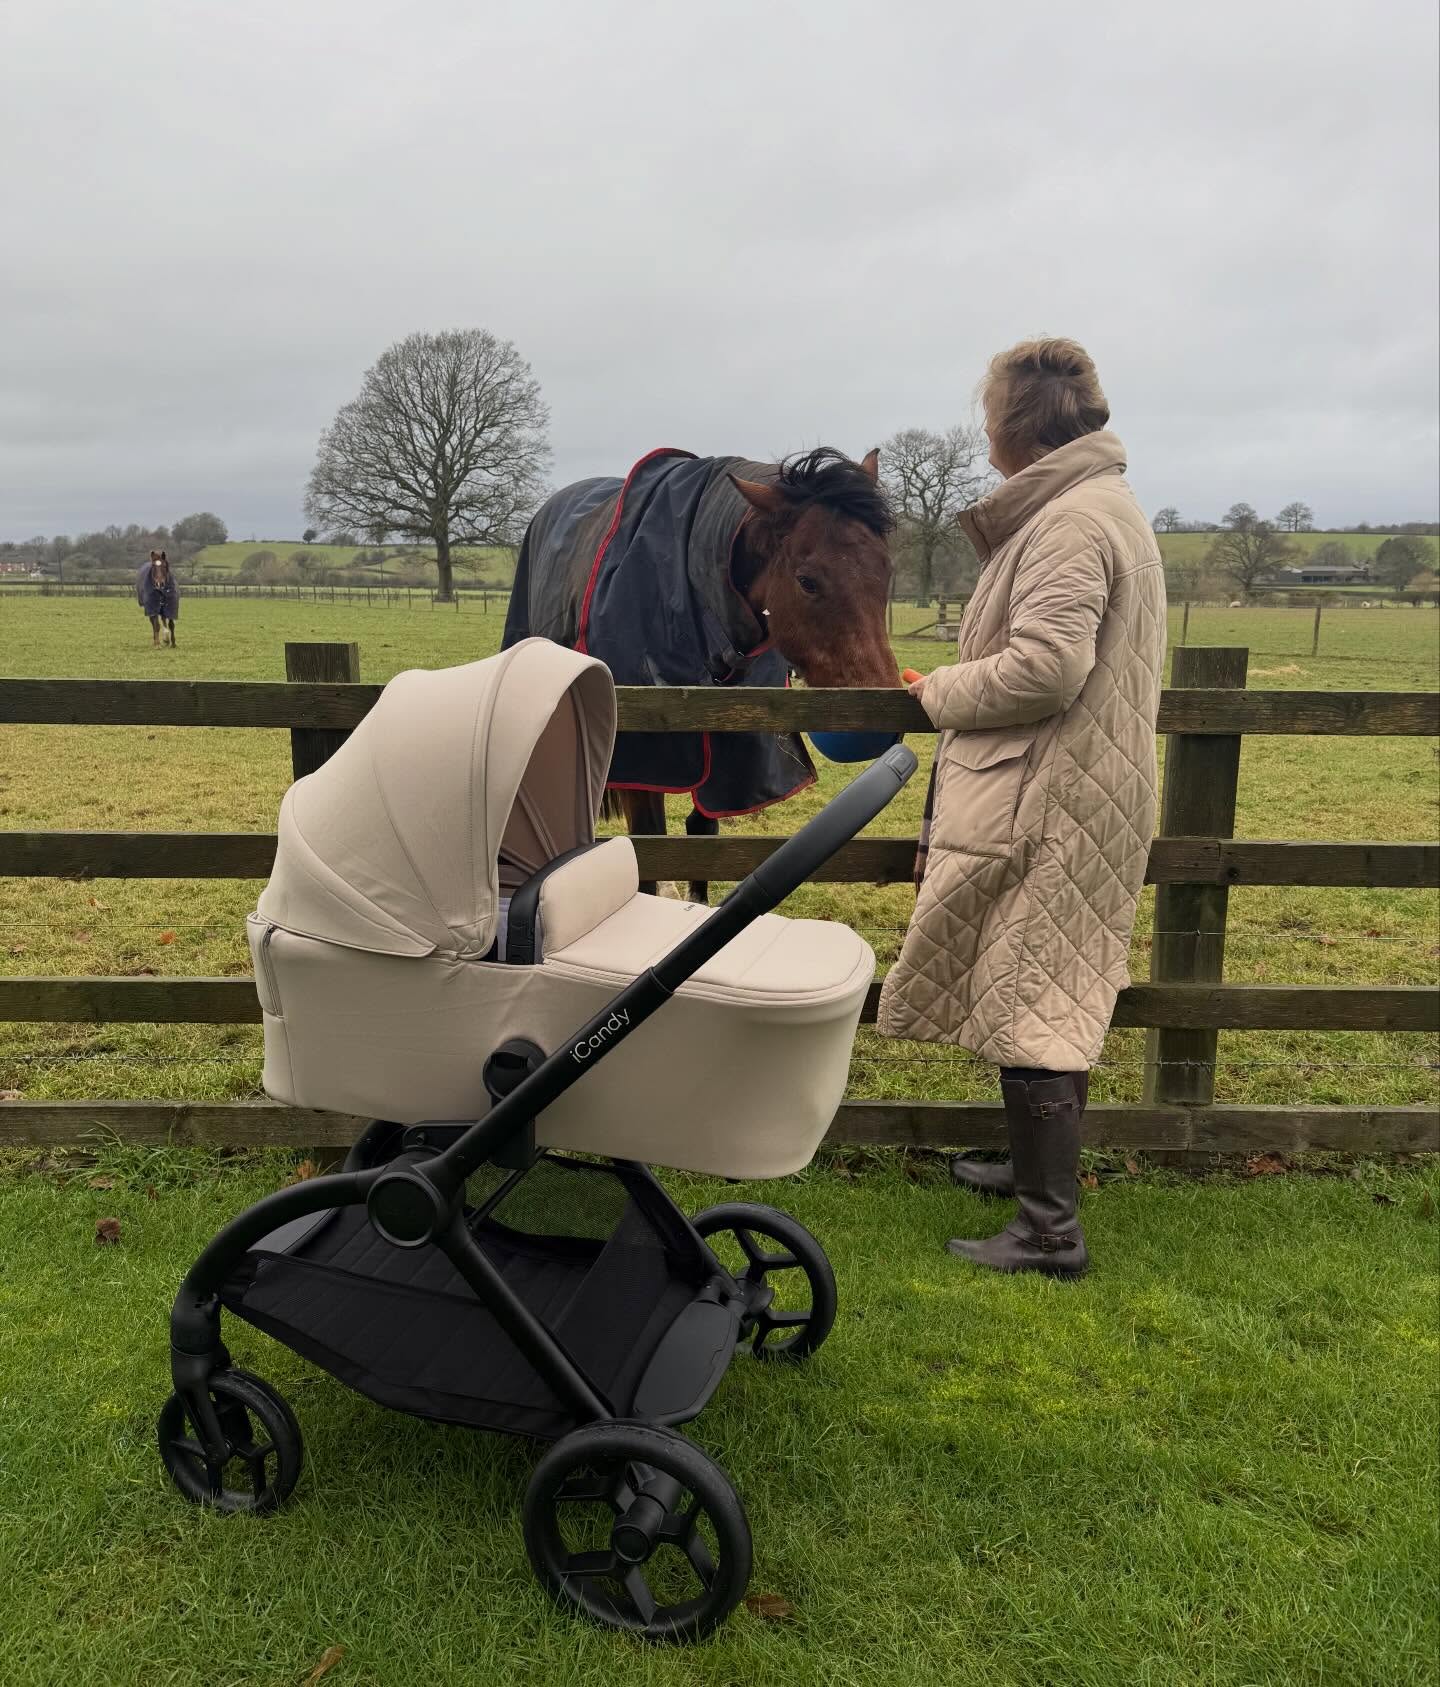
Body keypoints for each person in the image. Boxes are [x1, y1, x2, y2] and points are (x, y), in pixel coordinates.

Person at [877, 339, 1166, 1277]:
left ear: (1011, 429)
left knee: (1038, 990)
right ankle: (1031, 1178)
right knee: (1038, 983)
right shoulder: (1093, 507)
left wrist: (940, 691)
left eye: (988, 417)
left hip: (1055, 795)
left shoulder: (1070, 524)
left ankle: (1050, 1230)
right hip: (1074, 788)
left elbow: (1046, 667)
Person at [137, 550, 180, 647]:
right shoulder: (148, 584)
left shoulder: (170, 584)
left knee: (168, 612)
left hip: (167, 593)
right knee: (153, 615)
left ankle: (168, 633)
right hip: (153, 592)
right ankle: (156, 639)